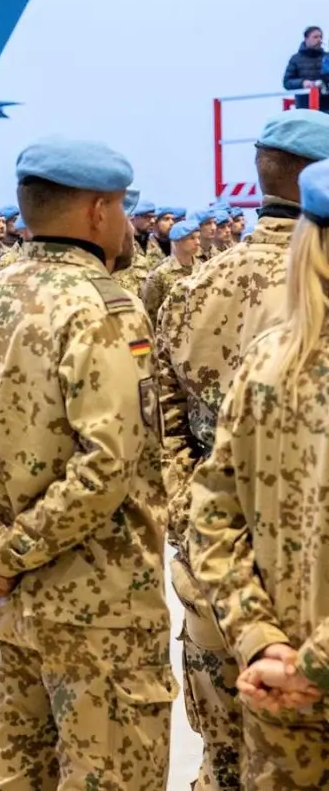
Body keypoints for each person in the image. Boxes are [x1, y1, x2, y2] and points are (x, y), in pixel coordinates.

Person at [0, 137, 174, 790]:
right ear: (97, 211)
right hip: (99, 610)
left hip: (7, 608)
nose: (127, 222)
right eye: (121, 207)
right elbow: (106, 465)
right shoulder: (102, 305)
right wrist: (5, 553)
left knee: (13, 775)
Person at [156, 109, 329, 790]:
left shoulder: (192, 288)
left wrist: (190, 532)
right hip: (299, 612)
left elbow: (165, 426)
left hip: (223, 587)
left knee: (226, 761)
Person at [140, 219, 199, 323]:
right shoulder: (160, 273)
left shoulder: (202, 268)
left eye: (198, 238)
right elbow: (150, 312)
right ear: (177, 241)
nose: (198, 242)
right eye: (192, 238)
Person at [283, 25, 327, 112]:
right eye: (315, 37)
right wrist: (302, 83)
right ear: (306, 38)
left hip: (326, 106)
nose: (319, 40)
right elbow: (287, 82)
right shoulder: (296, 59)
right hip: (305, 108)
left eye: (320, 37)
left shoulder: (327, 57)